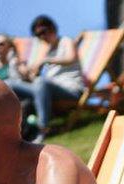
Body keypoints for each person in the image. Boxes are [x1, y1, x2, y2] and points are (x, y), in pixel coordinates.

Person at [8, 15, 85, 143]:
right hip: (47, 90)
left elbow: (72, 58)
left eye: (43, 32)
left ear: (52, 28)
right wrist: (23, 70)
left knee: (41, 82)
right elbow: (34, 78)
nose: (42, 36)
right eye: (38, 35)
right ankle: (15, 129)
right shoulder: (47, 50)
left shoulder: (65, 41)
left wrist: (46, 60)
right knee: (9, 84)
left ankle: (42, 129)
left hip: (71, 89)